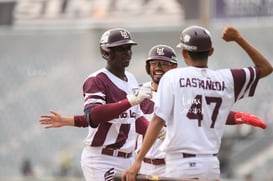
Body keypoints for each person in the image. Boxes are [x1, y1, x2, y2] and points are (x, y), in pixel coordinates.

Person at [40, 43, 266, 179]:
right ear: (148, 67)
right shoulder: (137, 93)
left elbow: (207, 112)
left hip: (171, 165)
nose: (159, 67)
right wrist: (68, 120)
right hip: (140, 164)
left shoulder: (183, 92)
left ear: (174, 68)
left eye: (165, 63)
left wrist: (239, 116)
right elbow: (105, 116)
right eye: (155, 63)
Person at [122, 25, 273, 181]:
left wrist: (137, 160)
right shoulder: (226, 78)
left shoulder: (174, 77)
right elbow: (266, 67)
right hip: (210, 163)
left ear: (184, 53)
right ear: (211, 51)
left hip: (180, 163)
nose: (158, 67)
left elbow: (158, 119)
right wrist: (238, 38)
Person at [42, 27, 153, 181]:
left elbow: (135, 117)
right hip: (102, 158)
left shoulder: (131, 78)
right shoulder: (97, 80)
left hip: (128, 158)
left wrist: (157, 133)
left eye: (129, 48)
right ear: (107, 52)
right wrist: (129, 101)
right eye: (121, 48)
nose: (127, 52)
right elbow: (93, 115)